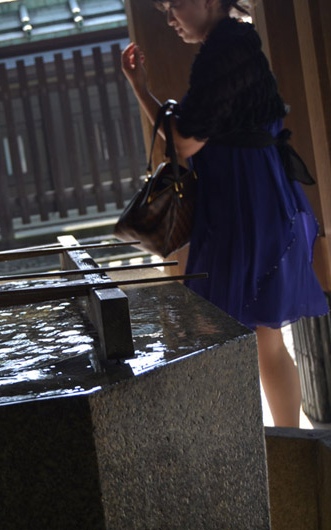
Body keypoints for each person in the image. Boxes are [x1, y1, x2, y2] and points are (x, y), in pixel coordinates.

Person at [121, 0, 329, 427]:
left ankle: (264, 448)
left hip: (245, 208)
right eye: (164, 9)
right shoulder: (235, 44)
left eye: (176, 5)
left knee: (229, 331)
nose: (170, 18)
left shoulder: (225, 50)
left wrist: (141, 89)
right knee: (264, 337)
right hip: (259, 200)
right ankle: (287, 446)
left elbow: (183, 142)